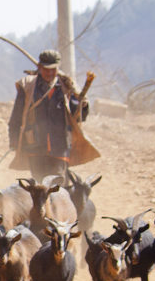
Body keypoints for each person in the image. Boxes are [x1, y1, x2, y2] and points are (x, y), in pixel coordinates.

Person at [7, 49, 92, 182]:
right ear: (40, 67)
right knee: (39, 187)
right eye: (46, 69)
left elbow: (79, 116)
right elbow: (16, 117)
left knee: (57, 188)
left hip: (60, 147)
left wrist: (84, 105)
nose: (50, 73)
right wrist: (14, 140)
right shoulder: (28, 87)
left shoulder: (66, 87)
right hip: (35, 147)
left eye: (54, 69)